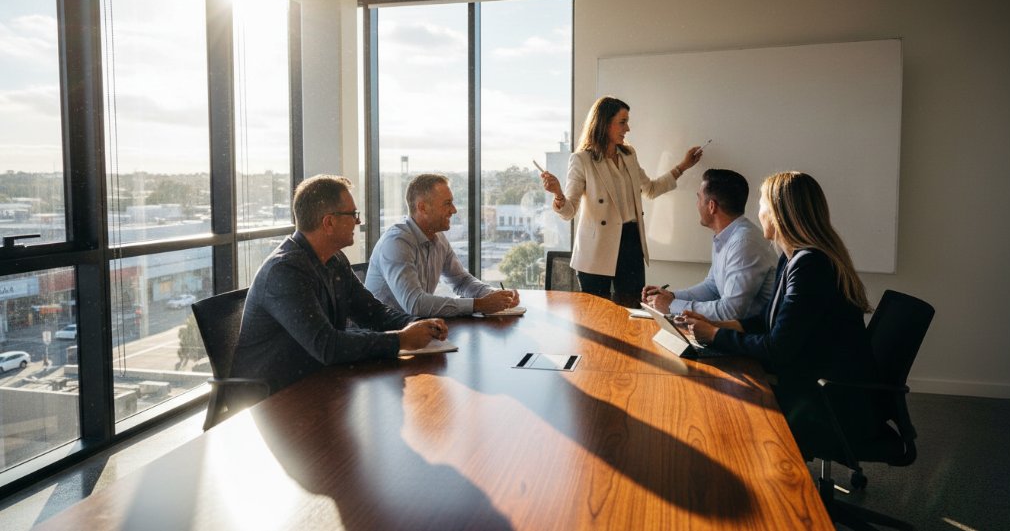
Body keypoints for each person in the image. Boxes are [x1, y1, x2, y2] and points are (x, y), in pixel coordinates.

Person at [680, 171, 878, 454]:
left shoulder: (810, 266)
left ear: (778, 213)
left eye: (762, 204)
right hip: (813, 378)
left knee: (722, 402)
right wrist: (716, 324)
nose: (758, 211)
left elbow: (778, 347)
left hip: (829, 399)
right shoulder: (794, 258)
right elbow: (767, 320)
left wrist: (714, 335)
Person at [232, 174, 445, 395]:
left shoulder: (334, 260)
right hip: (271, 396)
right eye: (353, 214)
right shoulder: (285, 271)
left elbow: (373, 312)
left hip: (316, 379)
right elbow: (327, 345)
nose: (358, 221)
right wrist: (401, 339)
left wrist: (420, 323)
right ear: (329, 222)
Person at [540, 96, 703, 307]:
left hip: (631, 244)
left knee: (633, 310)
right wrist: (557, 193)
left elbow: (651, 189)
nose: (628, 128)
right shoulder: (582, 160)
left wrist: (683, 166)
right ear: (604, 123)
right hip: (596, 249)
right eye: (622, 122)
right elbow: (569, 210)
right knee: (595, 317)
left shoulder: (629, 154)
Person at [365, 173, 519, 317]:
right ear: (422, 207)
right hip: (384, 336)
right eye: (447, 204)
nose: (454, 210)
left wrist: (495, 294)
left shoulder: (438, 237)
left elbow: (461, 281)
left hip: (415, 330)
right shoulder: (396, 242)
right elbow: (415, 304)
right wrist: (479, 305)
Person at [641, 169, 776, 320]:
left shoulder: (744, 243)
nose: (697, 204)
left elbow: (731, 312)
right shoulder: (728, 235)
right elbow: (713, 287)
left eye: (699, 198)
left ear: (712, 206)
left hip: (751, 335)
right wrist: (671, 296)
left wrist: (672, 305)